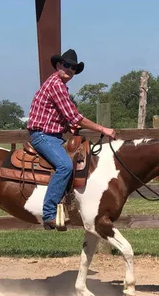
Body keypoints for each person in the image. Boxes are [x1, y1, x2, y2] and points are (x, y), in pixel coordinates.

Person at [27, 49, 116, 230]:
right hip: (43, 136)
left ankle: (72, 208)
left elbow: (62, 117)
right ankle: (49, 213)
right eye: (66, 65)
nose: (69, 69)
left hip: (53, 135)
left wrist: (69, 127)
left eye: (73, 68)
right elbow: (75, 117)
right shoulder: (56, 85)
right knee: (64, 166)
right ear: (59, 65)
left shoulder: (59, 85)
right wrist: (102, 128)